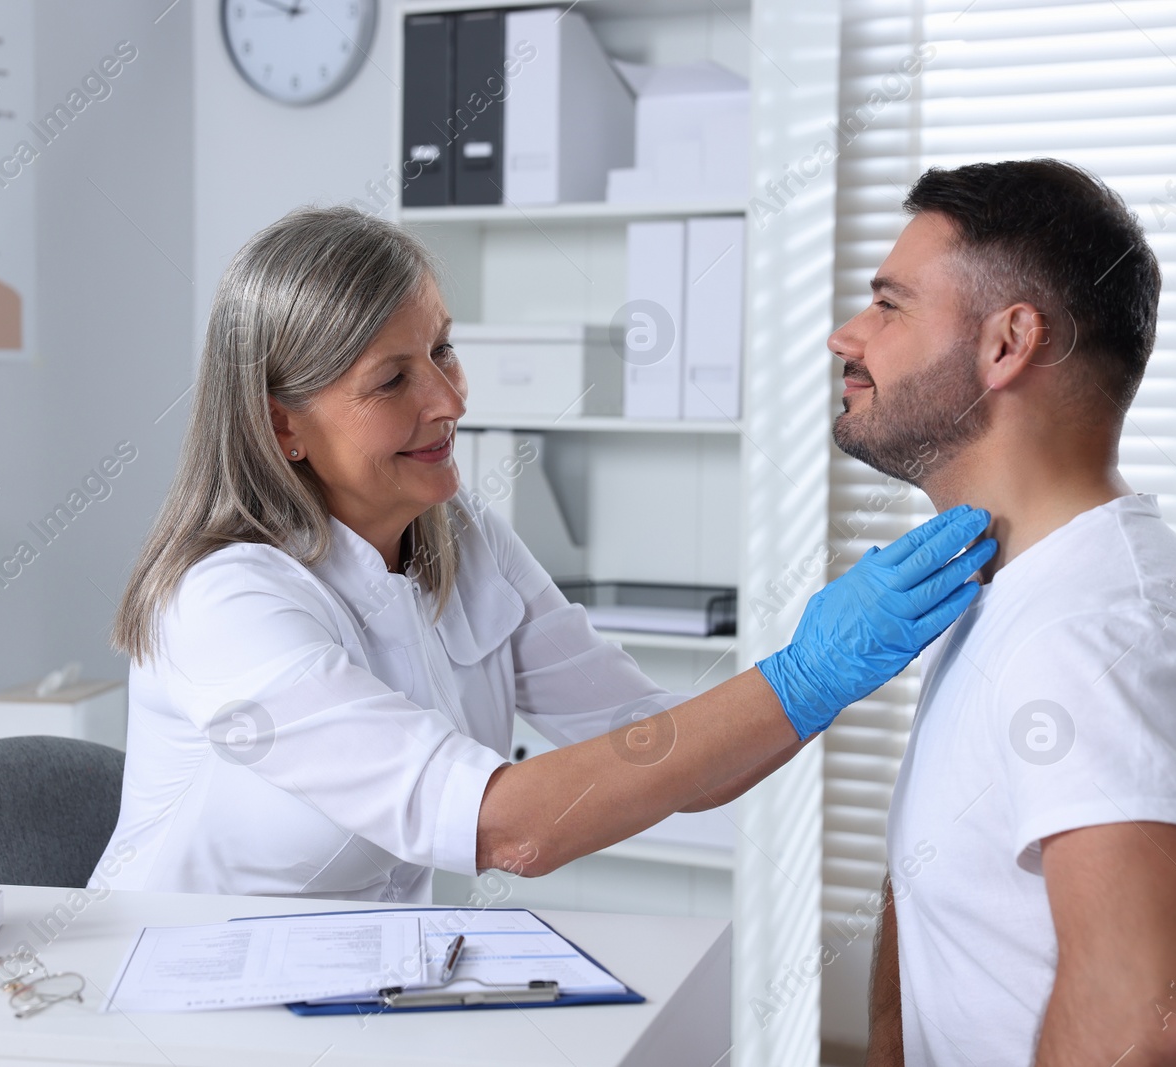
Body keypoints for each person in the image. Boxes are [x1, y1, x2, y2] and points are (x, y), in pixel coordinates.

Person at [98, 203, 993, 902]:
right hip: (175, 1002)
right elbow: (505, 829)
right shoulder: (224, 604)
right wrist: (801, 676)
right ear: (281, 423)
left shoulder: (459, 539)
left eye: (442, 348)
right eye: (392, 380)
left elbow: (660, 754)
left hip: (347, 990)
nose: (449, 399)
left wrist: (818, 682)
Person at [837, 160, 1176, 1065]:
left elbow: (1149, 1016)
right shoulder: (1015, 585)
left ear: (1007, 342)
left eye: (889, 305)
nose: (845, 336)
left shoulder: (1101, 632)